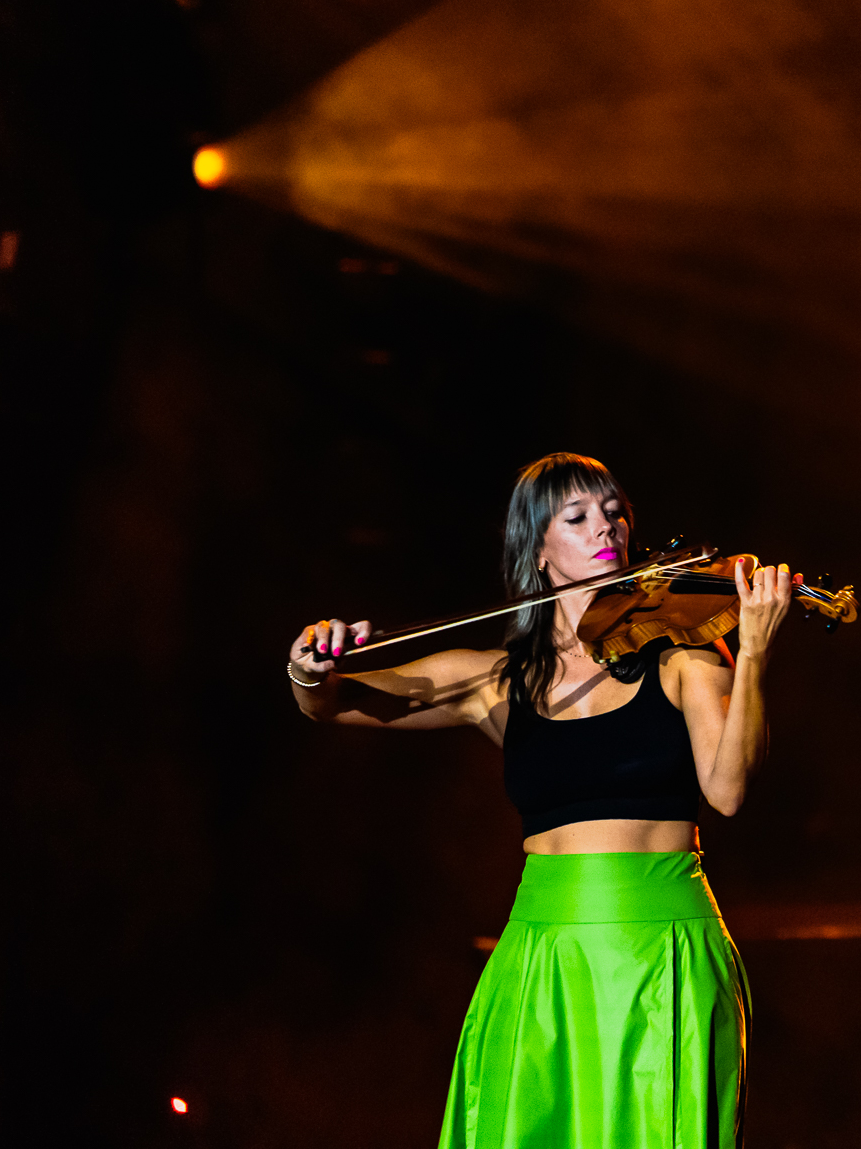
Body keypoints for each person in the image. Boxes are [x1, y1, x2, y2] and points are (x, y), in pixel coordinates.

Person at [285, 452, 796, 1149]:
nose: (605, 526)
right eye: (577, 516)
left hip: (661, 949)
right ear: (539, 553)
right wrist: (307, 668)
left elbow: (729, 792)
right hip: (541, 955)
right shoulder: (496, 683)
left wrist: (757, 650)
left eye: (614, 511)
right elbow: (333, 704)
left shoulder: (685, 656)